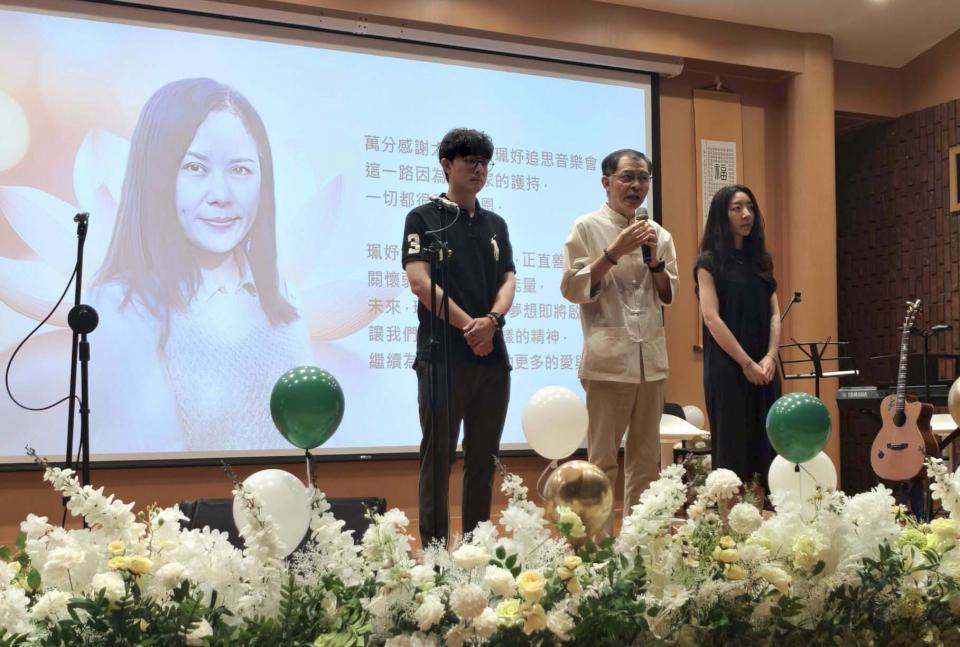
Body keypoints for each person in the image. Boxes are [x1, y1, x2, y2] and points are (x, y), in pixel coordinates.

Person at [92, 78, 313, 451]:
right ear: (156, 176)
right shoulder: (123, 303)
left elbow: (309, 435)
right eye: (195, 167)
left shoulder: (282, 296)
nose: (221, 195)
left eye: (241, 170)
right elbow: (152, 460)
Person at [401, 128, 516, 547]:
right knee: (438, 458)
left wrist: (492, 322)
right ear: (447, 166)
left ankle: (476, 551)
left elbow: (508, 279)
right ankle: (435, 557)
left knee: (483, 460)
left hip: (492, 357)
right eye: (470, 161)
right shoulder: (423, 218)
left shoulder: (495, 224)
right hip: (442, 357)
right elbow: (419, 282)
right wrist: (471, 327)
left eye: (484, 162)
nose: (479, 169)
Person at [561, 149, 678, 535]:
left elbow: (669, 294)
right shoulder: (586, 227)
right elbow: (572, 288)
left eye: (643, 178)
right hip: (607, 361)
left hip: (651, 361)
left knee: (646, 461)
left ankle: (639, 545)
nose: (636, 186)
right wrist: (614, 252)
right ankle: (596, 548)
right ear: (606, 181)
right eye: (627, 177)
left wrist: (655, 262)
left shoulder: (659, 234)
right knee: (602, 461)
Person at [694, 184, 781, 489]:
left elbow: (774, 313)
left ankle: (765, 513)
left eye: (750, 207)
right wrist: (746, 363)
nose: (746, 214)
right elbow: (711, 318)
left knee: (767, 445)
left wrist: (770, 357)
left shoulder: (761, 261)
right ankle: (731, 515)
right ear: (722, 215)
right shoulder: (708, 262)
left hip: (765, 365)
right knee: (733, 447)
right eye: (737, 208)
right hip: (729, 365)